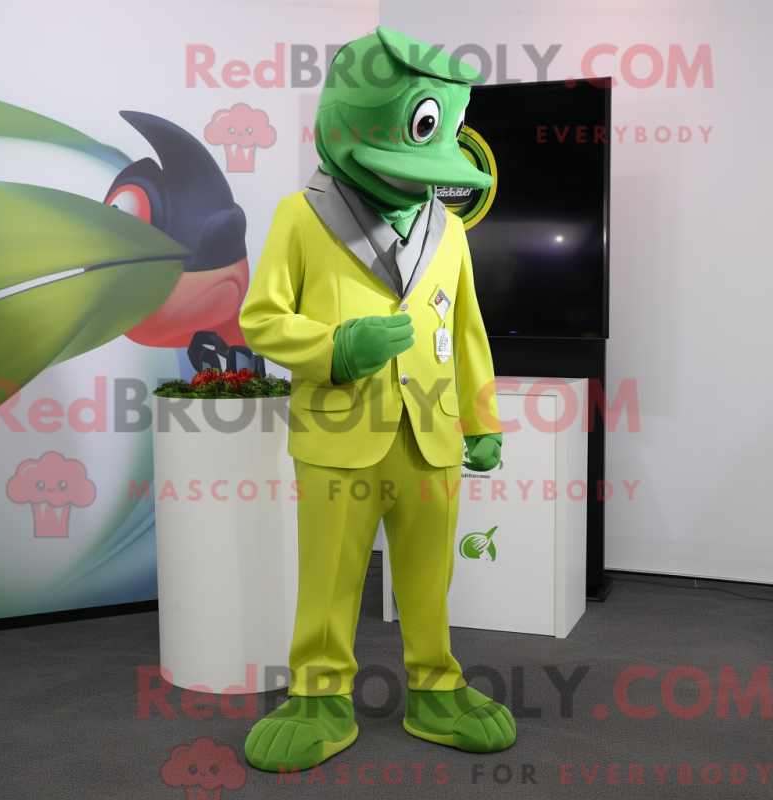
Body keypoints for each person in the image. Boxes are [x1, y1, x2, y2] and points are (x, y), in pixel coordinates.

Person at [239, 26, 513, 772]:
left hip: (432, 439)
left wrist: (482, 419)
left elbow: (469, 332)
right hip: (338, 436)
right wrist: (336, 348)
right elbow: (261, 318)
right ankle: (319, 696)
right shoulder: (300, 216)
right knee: (328, 582)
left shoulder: (449, 230)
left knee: (429, 581)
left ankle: (436, 687)